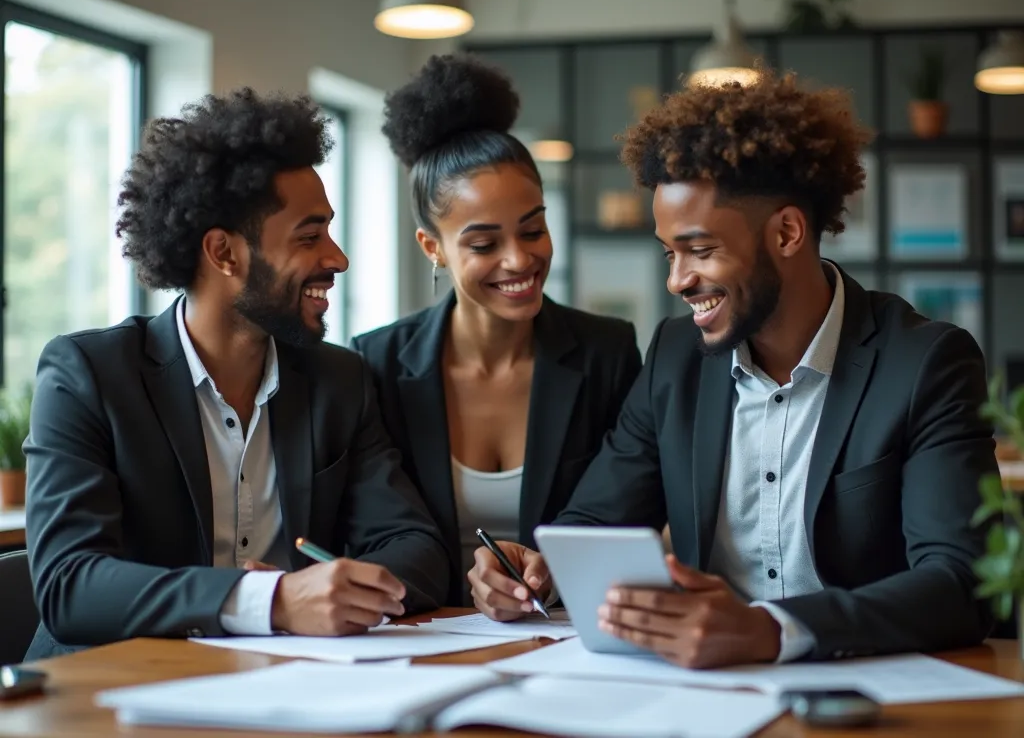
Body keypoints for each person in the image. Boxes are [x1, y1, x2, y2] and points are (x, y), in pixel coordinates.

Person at [468, 67, 998, 667]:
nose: (677, 280)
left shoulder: (925, 362)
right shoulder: (675, 356)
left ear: (788, 232)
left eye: (700, 250)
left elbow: (960, 582)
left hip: (863, 684)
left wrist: (771, 630)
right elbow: (597, 521)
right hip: (701, 693)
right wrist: (540, 570)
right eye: (670, 253)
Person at [23, 88, 449, 661]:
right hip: (105, 690)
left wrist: (338, 592)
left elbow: (414, 546)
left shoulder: (337, 381)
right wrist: (268, 599)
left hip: (279, 685)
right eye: (309, 235)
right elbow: (70, 587)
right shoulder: (88, 376)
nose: (337, 258)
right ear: (224, 252)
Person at [350, 54, 642, 606]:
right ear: (432, 247)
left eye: (533, 230)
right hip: (421, 639)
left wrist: (551, 574)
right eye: (484, 244)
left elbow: (625, 512)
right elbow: (374, 531)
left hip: (561, 640)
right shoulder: (377, 364)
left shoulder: (607, 352)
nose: (519, 261)